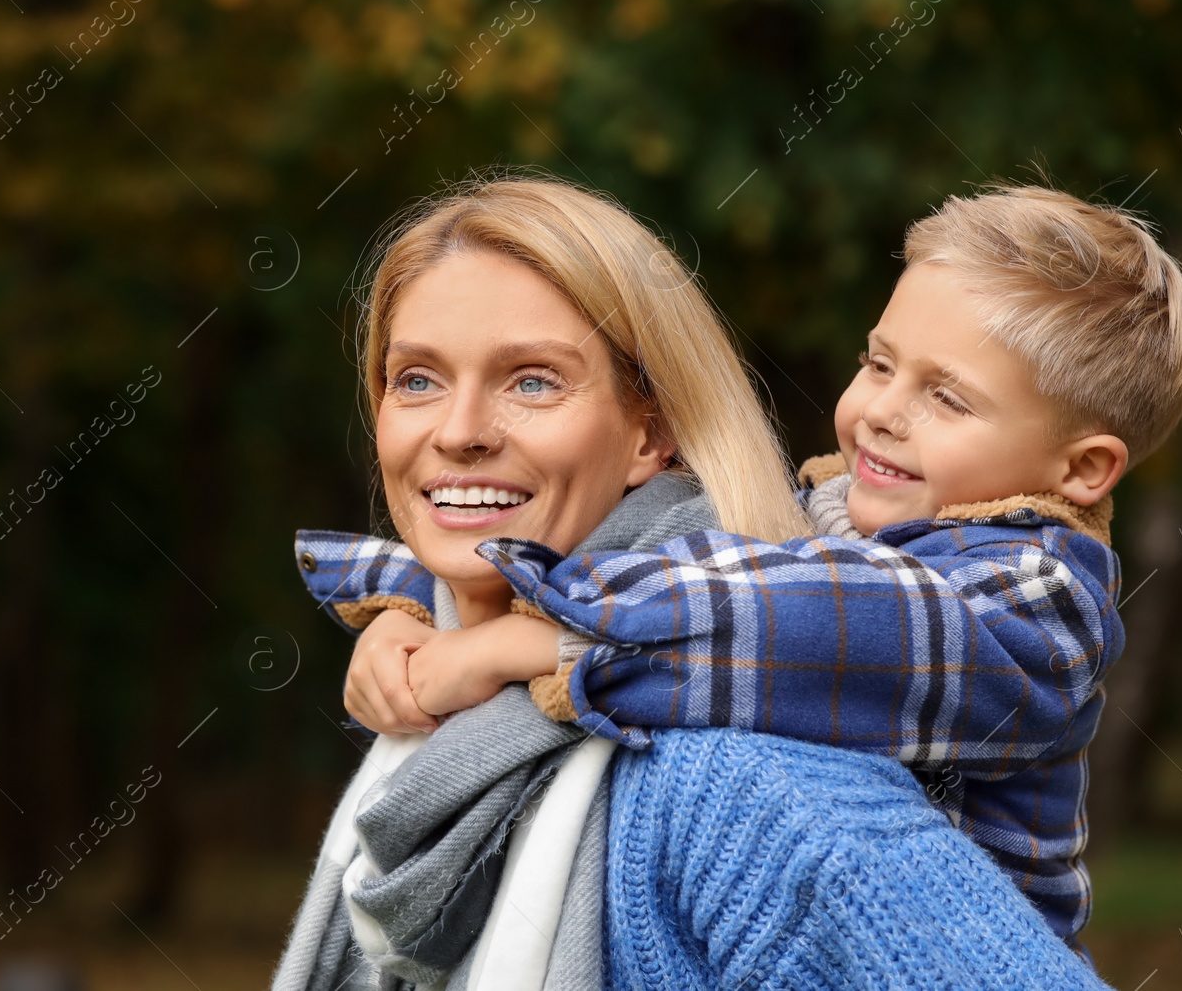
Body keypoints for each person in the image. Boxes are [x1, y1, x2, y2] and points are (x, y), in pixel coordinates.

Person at [276, 173, 1116, 990]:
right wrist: (401, 610)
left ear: (654, 431)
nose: (459, 431)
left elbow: (804, 613)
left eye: (532, 379)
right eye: (416, 378)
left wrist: (540, 642)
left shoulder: (746, 788)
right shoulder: (475, 684)